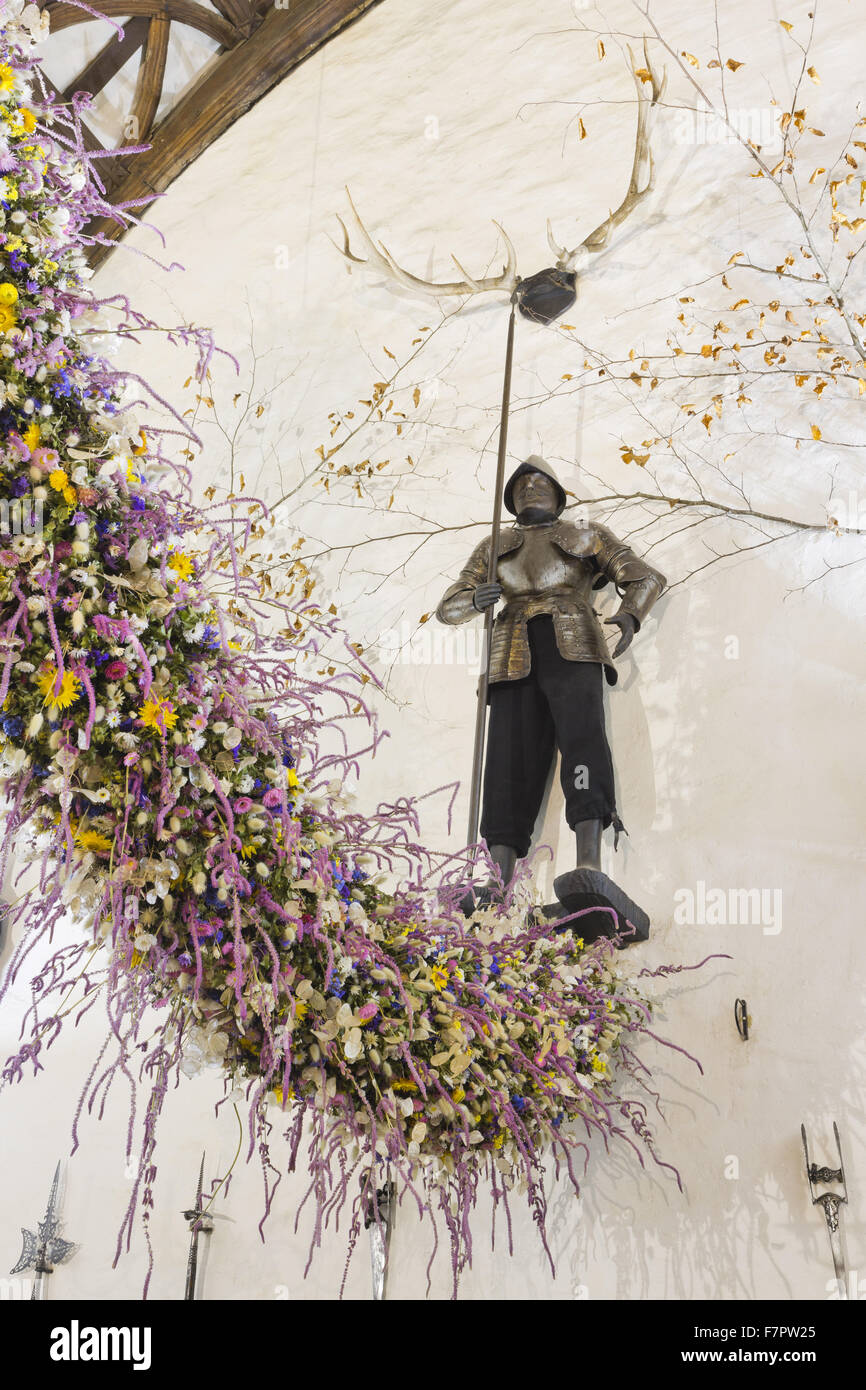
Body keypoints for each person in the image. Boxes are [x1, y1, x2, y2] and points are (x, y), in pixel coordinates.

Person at [436, 455, 666, 934]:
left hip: (572, 640)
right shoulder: (494, 546)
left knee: (583, 746)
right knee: (506, 763)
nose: (529, 490)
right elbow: (449, 606)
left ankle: (590, 867)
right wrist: (475, 597)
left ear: (559, 493)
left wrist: (629, 615)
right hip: (511, 650)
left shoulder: (585, 534)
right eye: (520, 486)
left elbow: (645, 577)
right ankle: (497, 886)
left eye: (539, 483)